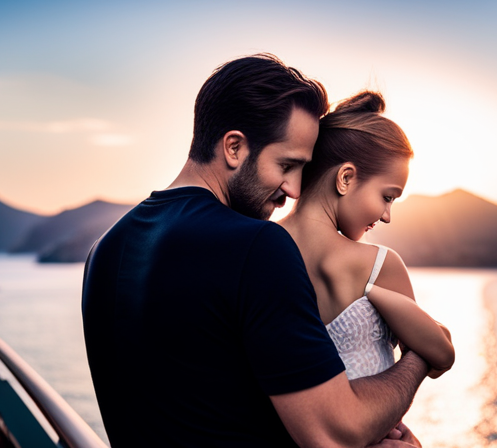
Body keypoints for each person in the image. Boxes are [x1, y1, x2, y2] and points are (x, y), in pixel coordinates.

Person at [82, 54, 429, 447]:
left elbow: (194, 407)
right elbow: (334, 435)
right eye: (286, 165)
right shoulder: (256, 246)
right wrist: (418, 359)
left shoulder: (104, 251)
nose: (294, 190)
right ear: (234, 147)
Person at [279, 91, 455, 428]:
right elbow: (440, 359)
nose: (387, 216)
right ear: (346, 178)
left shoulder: (258, 249)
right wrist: (376, 294)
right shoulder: (378, 265)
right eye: (387, 197)